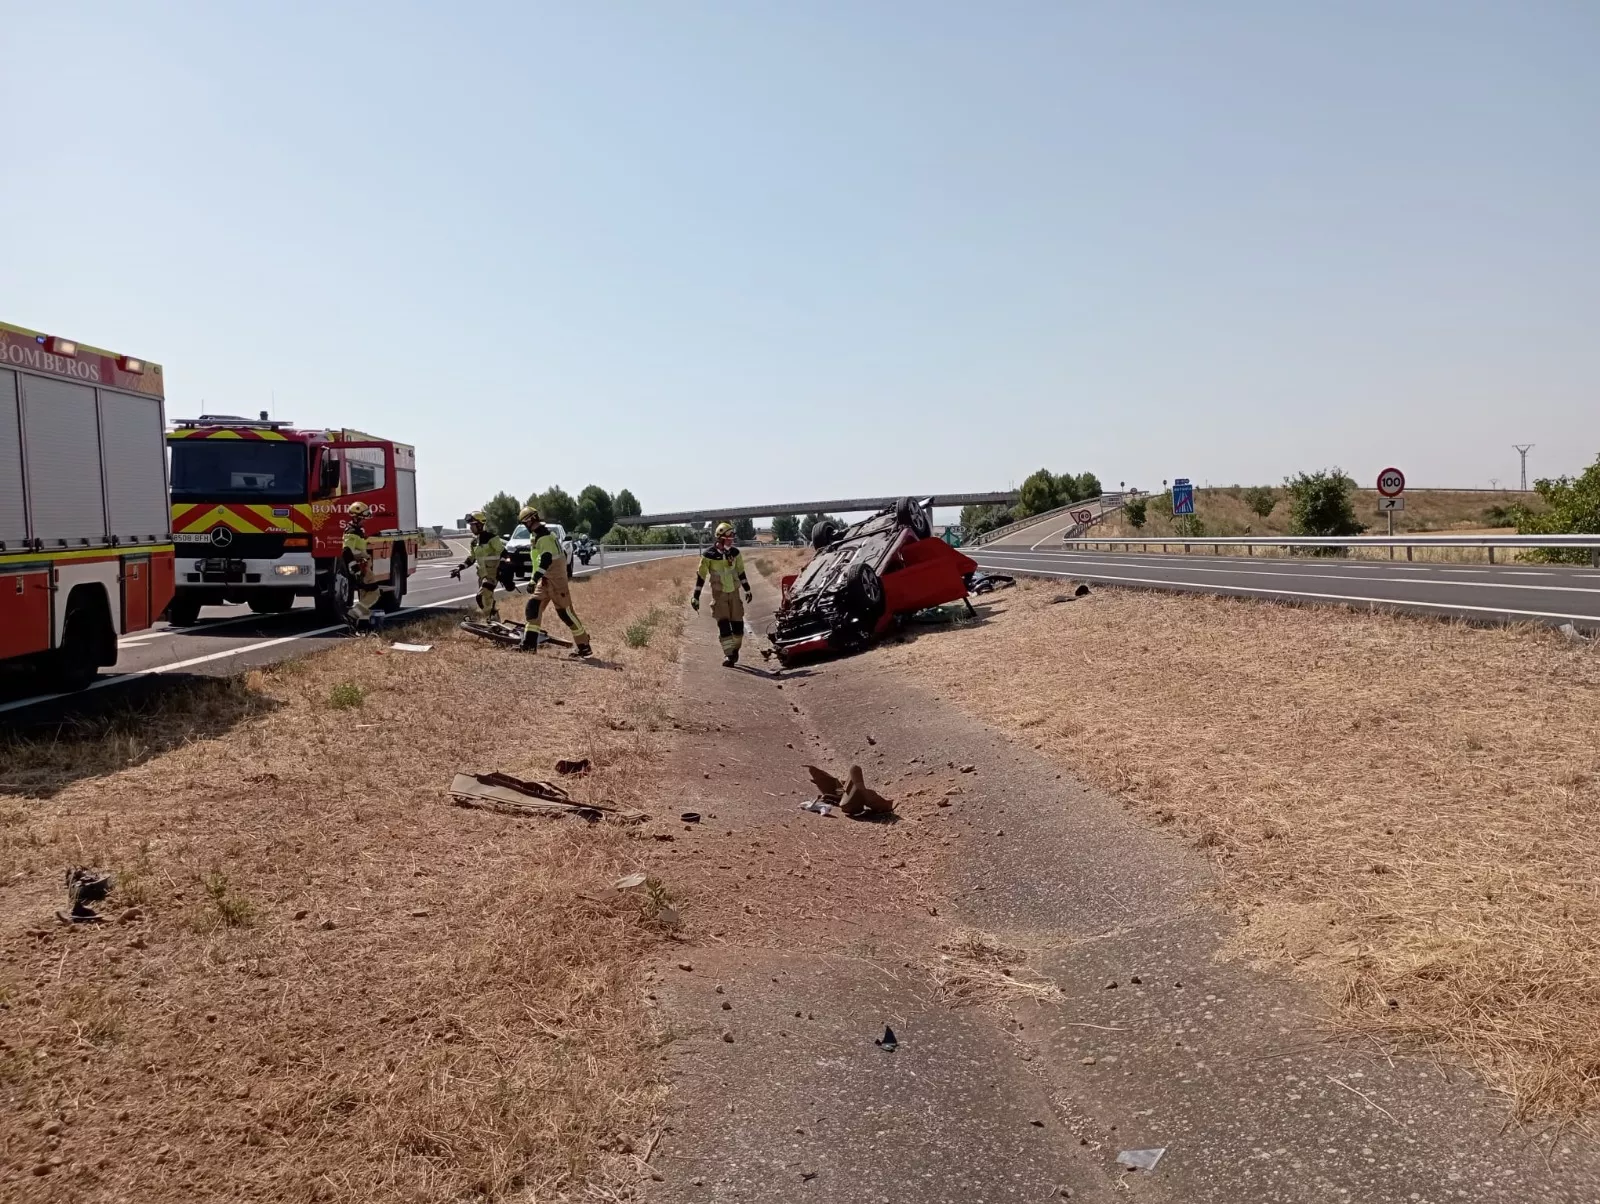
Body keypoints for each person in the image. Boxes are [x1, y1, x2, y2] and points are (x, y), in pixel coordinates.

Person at [517, 505, 592, 657]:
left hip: (556, 581)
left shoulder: (544, 537)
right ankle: (529, 645)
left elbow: (545, 560)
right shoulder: (539, 535)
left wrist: (533, 580)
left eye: (525, 524)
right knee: (533, 608)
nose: (526, 527)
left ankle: (584, 645)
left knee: (566, 614)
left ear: (530, 521)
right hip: (545, 580)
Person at [692, 522, 753, 666]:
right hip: (719, 597)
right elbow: (701, 576)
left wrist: (747, 589)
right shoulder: (708, 555)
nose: (731, 541)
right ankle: (729, 656)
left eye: (732, 538)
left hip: (734, 594)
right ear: (720, 539)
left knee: (738, 629)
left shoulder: (735, 553)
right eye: (728, 538)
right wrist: (695, 596)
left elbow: (741, 572)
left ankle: (735, 650)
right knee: (724, 626)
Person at [451, 510, 507, 620]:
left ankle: (494, 622)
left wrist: (502, 570)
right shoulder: (474, 542)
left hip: (492, 575)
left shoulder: (492, 538)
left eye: (473, 525)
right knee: (487, 601)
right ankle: (494, 623)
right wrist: (459, 568)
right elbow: (472, 559)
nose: (471, 528)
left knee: (481, 597)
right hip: (482, 576)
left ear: (480, 525)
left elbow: (504, 554)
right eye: (470, 525)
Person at [341, 500, 384, 631]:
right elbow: (346, 551)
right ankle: (353, 615)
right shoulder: (352, 531)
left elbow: (357, 547)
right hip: (362, 568)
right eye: (363, 518)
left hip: (363, 567)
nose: (364, 520)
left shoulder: (357, 530)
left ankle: (361, 624)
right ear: (357, 517)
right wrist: (356, 570)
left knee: (365, 595)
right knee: (374, 593)